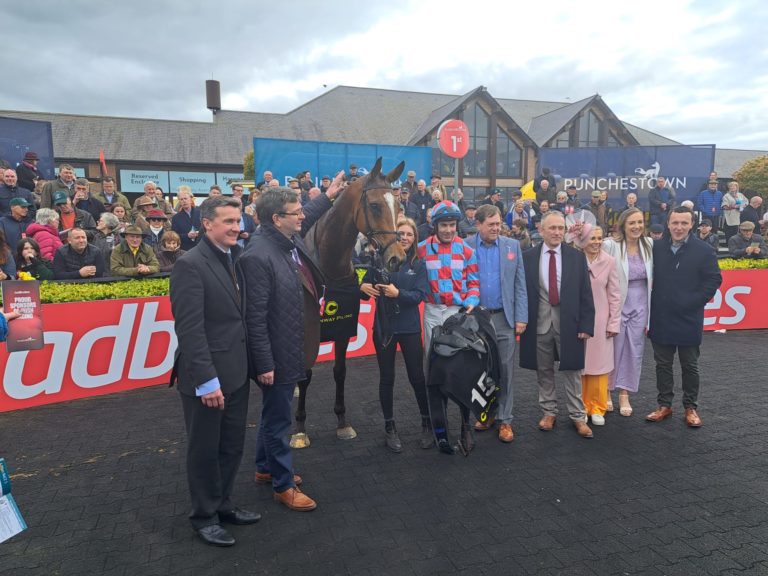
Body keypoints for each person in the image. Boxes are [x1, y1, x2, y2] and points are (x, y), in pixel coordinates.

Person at [170, 196, 260, 547]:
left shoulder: (234, 258)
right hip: (206, 379)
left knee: (232, 446)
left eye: (238, 221)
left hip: (236, 373)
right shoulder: (189, 265)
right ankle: (204, 516)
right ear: (207, 224)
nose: (237, 228)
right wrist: (207, 382)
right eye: (229, 222)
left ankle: (223, 505)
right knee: (205, 450)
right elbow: (190, 330)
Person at [240, 188, 320, 512]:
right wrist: (264, 363)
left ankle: (264, 467)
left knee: (272, 413)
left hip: (286, 349)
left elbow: (310, 215)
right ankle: (282, 485)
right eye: (296, 212)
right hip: (275, 356)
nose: (302, 216)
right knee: (278, 421)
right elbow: (254, 318)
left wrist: (327, 195)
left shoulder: (283, 243)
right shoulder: (258, 256)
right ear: (276, 219)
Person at [519, 211, 596, 439]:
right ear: (541, 230)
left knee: (573, 370)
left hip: (570, 324)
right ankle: (549, 412)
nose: (557, 232)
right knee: (544, 371)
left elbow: (586, 293)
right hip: (539, 324)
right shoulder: (528, 257)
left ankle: (578, 416)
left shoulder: (576, 257)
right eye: (552, 228)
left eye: (561, 228)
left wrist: (586, 324)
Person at [359, 218, 431, 452]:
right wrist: (362, 287)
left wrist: (396, 293)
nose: (405, 238)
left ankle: (427, 423)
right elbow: (364, 288)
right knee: (386, 378)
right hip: (384, 328)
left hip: (409, 328)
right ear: (393, 235)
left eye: (409, 234)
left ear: (415, 238)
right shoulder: (378, 261)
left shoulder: (419, 265)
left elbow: (419, 296)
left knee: (417, 377)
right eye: (400, 233)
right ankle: (390, 427)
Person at [646, 207, 722, 427]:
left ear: (692, 225)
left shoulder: (704, 250)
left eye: (684, 223)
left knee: (690, 366)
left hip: (689, 317)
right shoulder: (655, 248)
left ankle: (690, 407)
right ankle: (664, 405)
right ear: (668, 224)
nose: (679, 227)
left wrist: (693, 302)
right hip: (661, 316)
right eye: (675, 223)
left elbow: (713, 280)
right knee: (662, 365)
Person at [465, 205, 528, 442]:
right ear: (478, 224)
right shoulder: (465, 246)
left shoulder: (512, 246)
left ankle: (505, 420)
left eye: (498, 223)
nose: (496, 228)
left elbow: (520, 284)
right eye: (490, 224)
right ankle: (486, 414)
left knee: (505, 371)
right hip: (476, 320)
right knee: (479, 370)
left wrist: (522, 317)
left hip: (504, 319)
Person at [601, 207, 654, 416]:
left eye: (640, 222)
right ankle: (606, 390)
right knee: (613, 348)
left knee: (635, 349)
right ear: (623, 224)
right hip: (616, 304)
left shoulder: (649, 245)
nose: (637, 227)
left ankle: (625, 393)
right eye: (632, 223)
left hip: (641, 304)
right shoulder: (610, 245)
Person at [416, 201, 479, 355]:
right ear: (435, 226)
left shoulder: (467, 251)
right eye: (444, 225)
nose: (448, 230)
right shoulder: (421, 249)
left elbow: (474, 283)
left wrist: (471, 301)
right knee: (432, 357)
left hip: (456, 312)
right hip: (432, 310)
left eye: (452, 225)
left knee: (455, 360)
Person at [572, 224, 620, 426]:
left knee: (600, 366)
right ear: (582, 241)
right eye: (592, 238)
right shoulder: (573, 261)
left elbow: (615, 295)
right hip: (578, 320)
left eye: (600, 238)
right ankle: (580, 406)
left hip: (601, 320)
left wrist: (614, 323)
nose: (597, 242)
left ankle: (598, 407)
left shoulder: (609, 262)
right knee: (580, 366)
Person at [171, 187, 202, 251]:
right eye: (181, 199)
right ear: (179, 201)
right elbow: (174, 236)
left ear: (191, 199)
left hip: (201, 248)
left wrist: (200, 233)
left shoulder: (200, 212)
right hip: (185, 250)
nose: (184, 201)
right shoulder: (175, 218)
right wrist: (187, 236)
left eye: (185, 198)